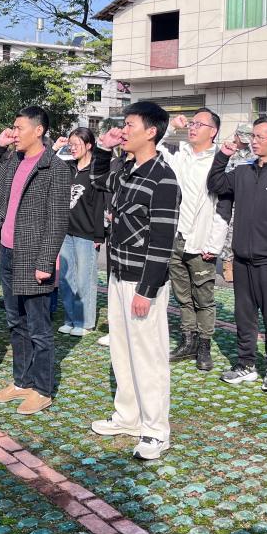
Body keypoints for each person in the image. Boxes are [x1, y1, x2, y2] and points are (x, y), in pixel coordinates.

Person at [89, 102, 181, 460]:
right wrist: (103, 148)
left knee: (148, 356)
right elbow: (98, 180)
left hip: (142, 282)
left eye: (130, 125)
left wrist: (147, 289)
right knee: (122, 350)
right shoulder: (127, 169)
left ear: (151, 132)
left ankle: (156, 431)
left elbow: (162, 241)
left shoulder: (163, 179)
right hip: (118, 273)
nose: (123, 130)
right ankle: (128, 416)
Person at [0, 106, 71, 415]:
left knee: (39, 327)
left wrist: (46, 261)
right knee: (16, 322)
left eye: (19, 128)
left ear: (38, 130)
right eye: (12, 128)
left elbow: (57, 220)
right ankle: (21, 381)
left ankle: (42, 389)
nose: (14, 133)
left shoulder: (55, 168)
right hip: (8, 252)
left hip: (34, 257)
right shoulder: (12, 160)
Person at [206, 115, 267, 393]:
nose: (254, 142)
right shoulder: (242, 169)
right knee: (244, 315)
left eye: (261, 137)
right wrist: (223, 155)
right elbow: (216, 184)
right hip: (242, 258)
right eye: (253, 136)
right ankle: (245, 364)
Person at [159, 110, 231, 370]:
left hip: (202, 241)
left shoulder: (220, 161)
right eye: (192, 123)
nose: (193, 127)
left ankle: (204, 346)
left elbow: (224, 207)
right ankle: (187, 341)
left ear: (213, 131)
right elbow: (153, 145)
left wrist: (215, 244)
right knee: (183, 296)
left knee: (204, 297)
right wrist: (171, 126)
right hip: (176, 238)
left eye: (199, 124)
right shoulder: (180, 153)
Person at [53, 128, 107, 338]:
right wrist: (55, 148)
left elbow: (100, 205)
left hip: (87, 233)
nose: (72, 148)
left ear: (89, 145)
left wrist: (99, 235)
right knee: (67, 278)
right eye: (70, 144)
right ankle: (70, 319)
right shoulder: (68, 167)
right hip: (66, 231)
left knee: (85, 279)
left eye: (76, 144)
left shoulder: (95, 172)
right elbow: (46, 165)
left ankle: (84, 321)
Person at [220, 123, 253, 283]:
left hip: (247, 198)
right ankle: (227, 264)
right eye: (243, 138)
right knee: (229, 233)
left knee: (246, 232)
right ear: (236, 136)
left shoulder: (254, 154)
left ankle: (242, 262)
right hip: (229, 198)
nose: (245, 142)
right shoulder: (228, 151)